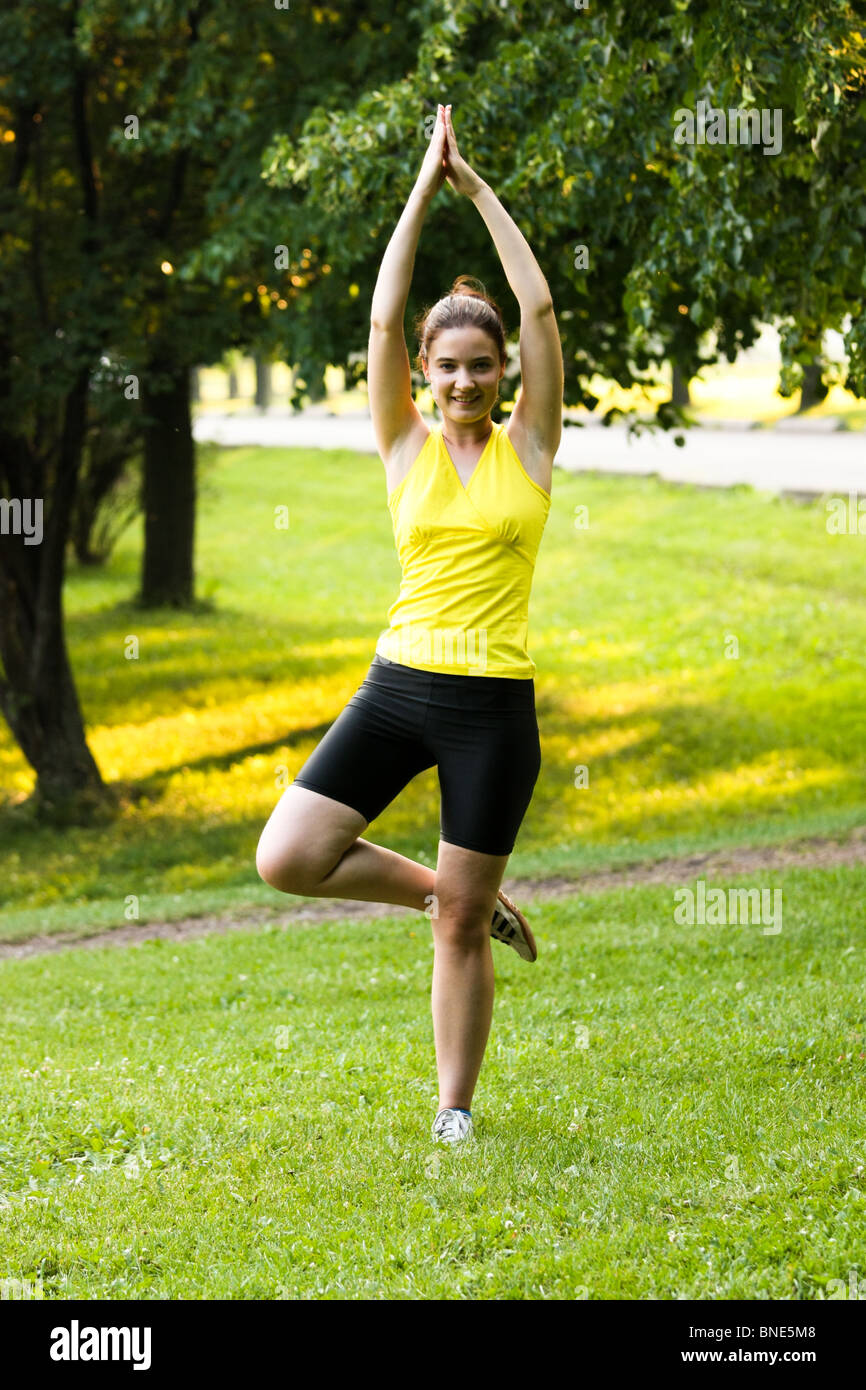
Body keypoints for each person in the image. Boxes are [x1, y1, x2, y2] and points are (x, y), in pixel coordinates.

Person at [256, 103, 563, 1144]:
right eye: (449, 367)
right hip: (398, 685)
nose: (467, 379)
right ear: (424, 378)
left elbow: (538, 309)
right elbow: (383, 319)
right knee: (288, 856)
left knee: (463, 927)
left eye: (482, 365)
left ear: (501, 375)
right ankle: (440, 888)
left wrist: (477, 189)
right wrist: (420, 189)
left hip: (491, 708)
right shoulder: (402, 445)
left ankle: (452, 1113)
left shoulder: (529, 445)